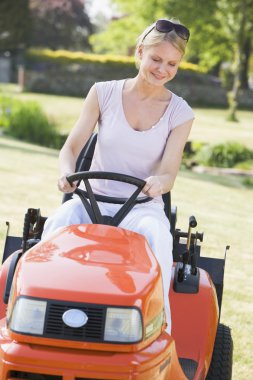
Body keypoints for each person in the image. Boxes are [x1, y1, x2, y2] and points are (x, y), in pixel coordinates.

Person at [42, 18, 194, 335]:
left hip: (140, 208)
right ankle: (39, 311)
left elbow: (168, 173)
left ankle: (159, 327)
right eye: (156, 59)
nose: (162, 69)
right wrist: (66, 174)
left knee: (159, 237)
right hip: (90, 201)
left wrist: (160, 183)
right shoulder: (103, 93)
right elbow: (69, 149)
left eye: (171, 63)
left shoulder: (181, 113)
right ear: (139, 52)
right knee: (58, 223)